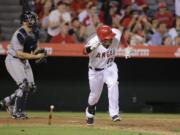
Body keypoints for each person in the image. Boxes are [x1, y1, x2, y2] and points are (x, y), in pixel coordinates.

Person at [0, 11, 46, 119]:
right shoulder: (19, 34)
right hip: (14, 60)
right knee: (24, 85)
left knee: (31, 87)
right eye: (32, 19)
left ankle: (7, 101)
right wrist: (36, 57)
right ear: (25, 21)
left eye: (35, 19)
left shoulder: (35, 31)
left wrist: (39, 53)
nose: (35, 21)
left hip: (24, 60)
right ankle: (17, 112)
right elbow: (19, 54)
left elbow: (33, 49)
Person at [83, 25, 131, 126]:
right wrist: (91, 48)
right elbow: (84, 51)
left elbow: (120, 34)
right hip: (95, 71)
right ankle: (90, 110)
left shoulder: (115, 35)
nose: (110, 39)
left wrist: (126, 47)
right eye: (107, 38)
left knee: (113, 84)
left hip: (110, 67)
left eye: (110, 36)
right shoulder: (93, 42)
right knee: (94, 96)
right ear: (100, 38)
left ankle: (114, 113)